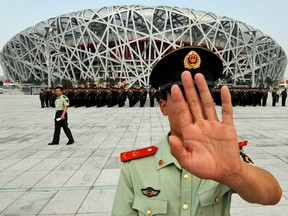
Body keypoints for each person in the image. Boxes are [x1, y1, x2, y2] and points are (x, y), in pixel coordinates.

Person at [112, 46, 282, 216]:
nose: (194, 105)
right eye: (182, 96)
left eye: (202, 95)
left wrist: (236, 173)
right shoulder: (136, 168)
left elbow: (272, 195)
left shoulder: (223, 156)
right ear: (163, 106)